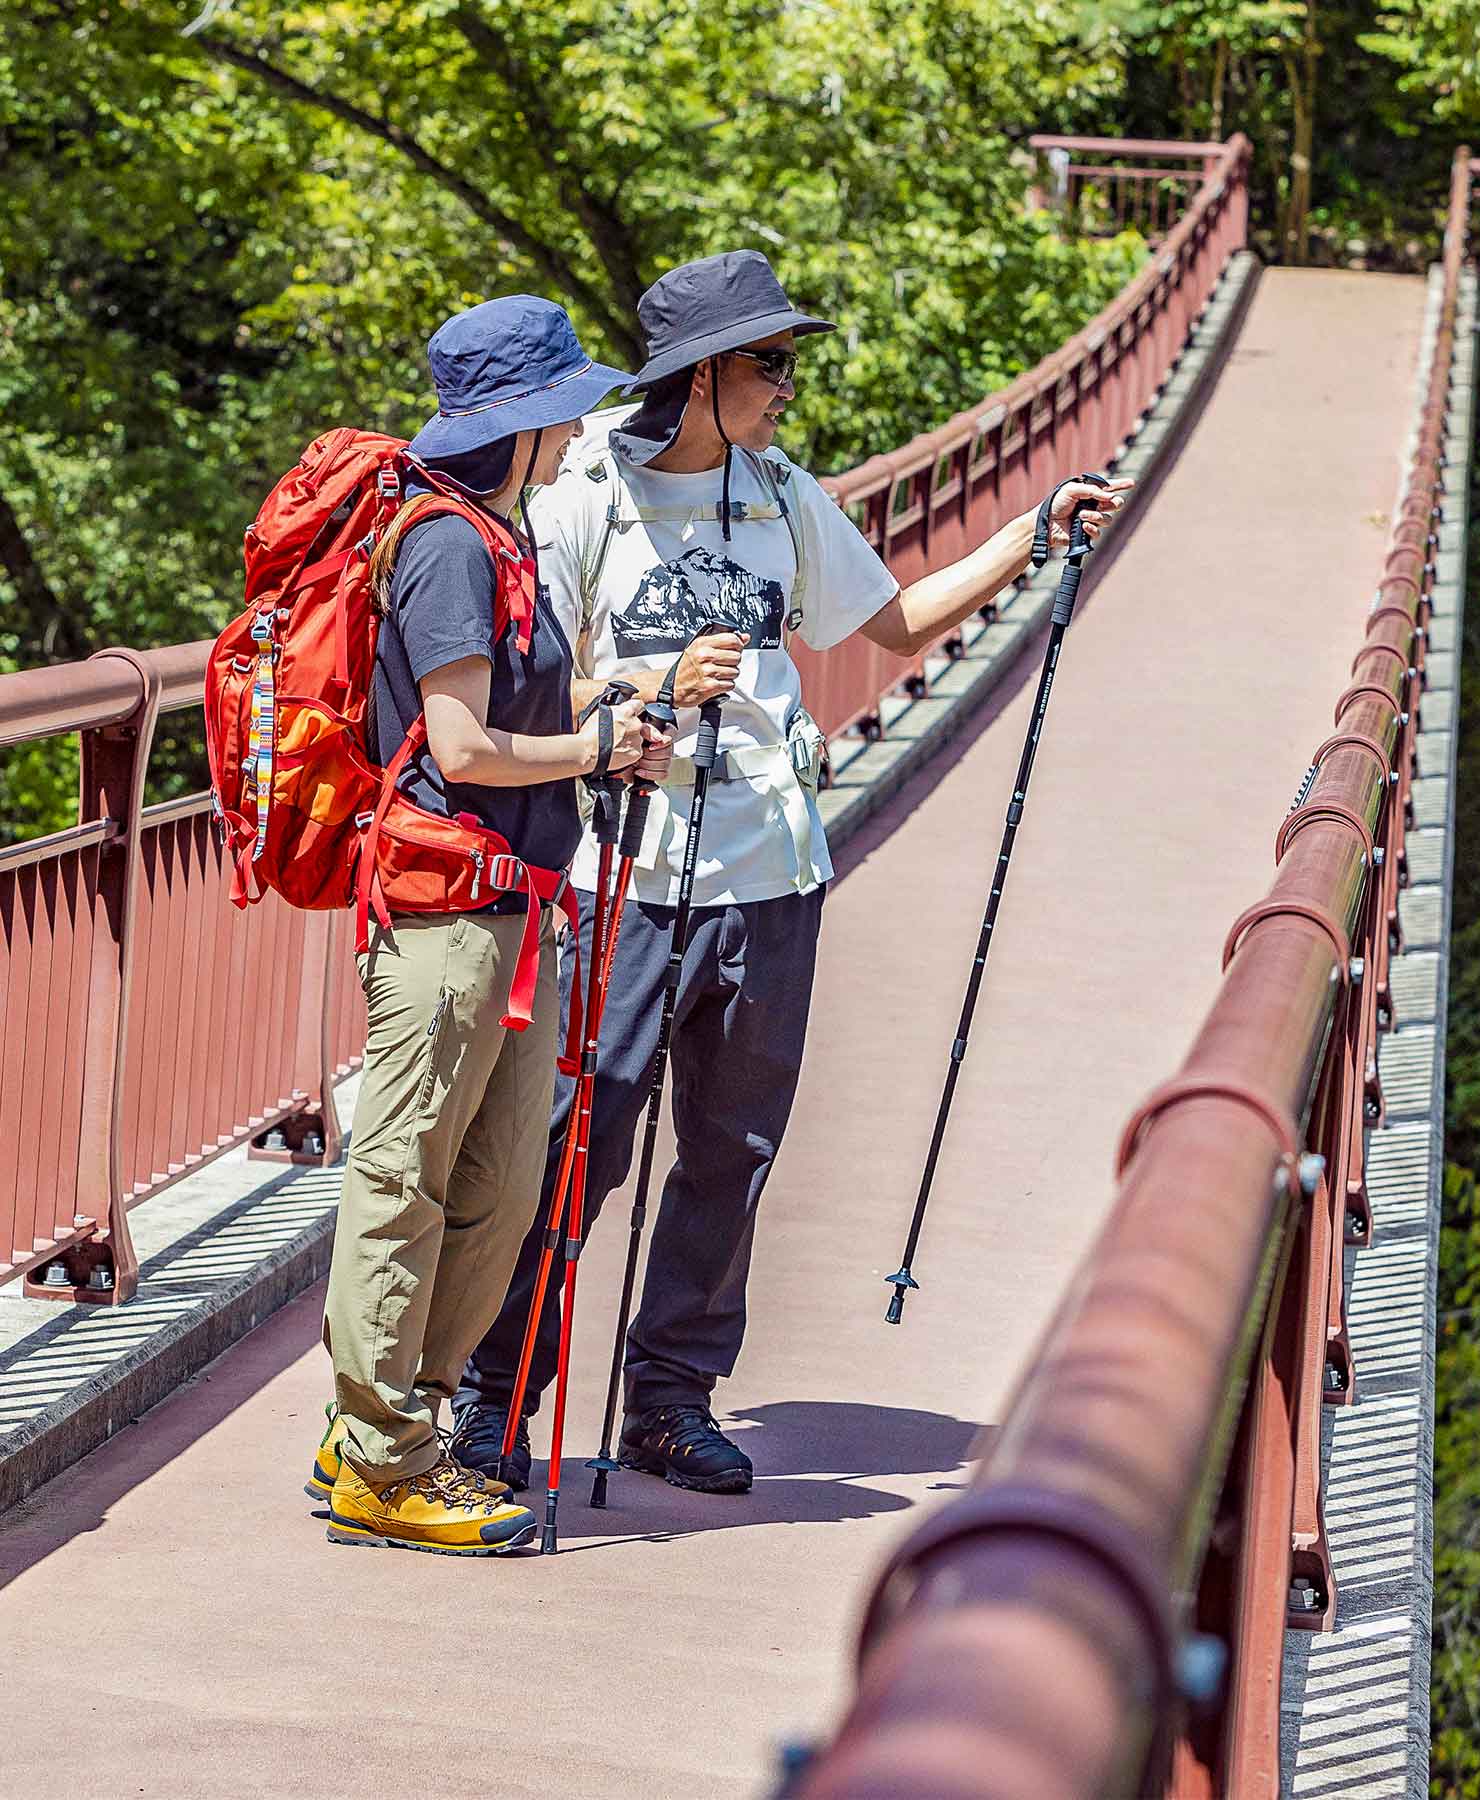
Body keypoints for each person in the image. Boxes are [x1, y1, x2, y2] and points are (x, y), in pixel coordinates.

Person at [451, 251, 1128, 1496]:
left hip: (772, 869)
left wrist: (1033, 538)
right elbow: (524, 683)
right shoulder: (584, 489)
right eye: (771, 364)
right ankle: (494, 1401)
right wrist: (648, 686)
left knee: (732, 1147)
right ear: (702, 374)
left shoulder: (780, 493)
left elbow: (893, 621)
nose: (789, 386)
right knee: (574, 1142)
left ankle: (670, 1398)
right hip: (625, 874)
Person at [309, 296, 669, 1555]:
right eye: (564, 408)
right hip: (445, 921)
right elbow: (460, 744)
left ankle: (395, 1414)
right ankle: (384, 1457)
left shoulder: (501, 533)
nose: (580, 428)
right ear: (515, 426)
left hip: (520, 914)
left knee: (505, 1184)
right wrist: (595, 743)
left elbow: (516, 691)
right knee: (404, 1178)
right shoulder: (449, 546)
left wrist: (632, 691)